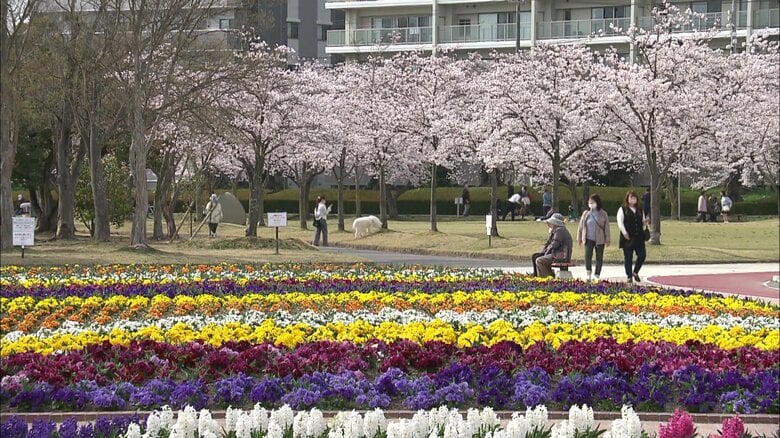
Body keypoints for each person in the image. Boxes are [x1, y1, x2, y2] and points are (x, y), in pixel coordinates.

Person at [576, 194, 610, 281]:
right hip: (588, 239)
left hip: (600, 239)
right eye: (590, 202)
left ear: (597, 202)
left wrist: (607, 239)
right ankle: (588, 272)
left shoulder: (603, 214)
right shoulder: (586, 213)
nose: (591, 204)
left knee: (599, 257)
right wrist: (579, 238)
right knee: (587, 256)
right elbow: (581, 227)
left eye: (593, 202)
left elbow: (606, 227)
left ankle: (597, 274)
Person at [617, 190, 648, 283]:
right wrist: (624, 233)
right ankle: (629, 276)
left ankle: (635, 272)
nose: (633, 200)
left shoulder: (640, 209)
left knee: (642, 255)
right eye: (631, 198)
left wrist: (645, 222)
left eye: (634, 198)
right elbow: (620, 222)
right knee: (628, 257)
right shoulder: (623, 209)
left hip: (639, 237)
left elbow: (642, 221)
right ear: (627, 199)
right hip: (628, 237)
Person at [533, 213, 573, 278]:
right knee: (535, 256)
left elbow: (554, 245)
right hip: (557, 254)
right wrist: (543, 252)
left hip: (561, 256)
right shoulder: (556, 231)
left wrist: (545, 253)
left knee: (540, 260)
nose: (549, 224)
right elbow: (548, 243)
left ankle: (546, 278)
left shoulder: (560, 230)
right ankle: (544, 276)